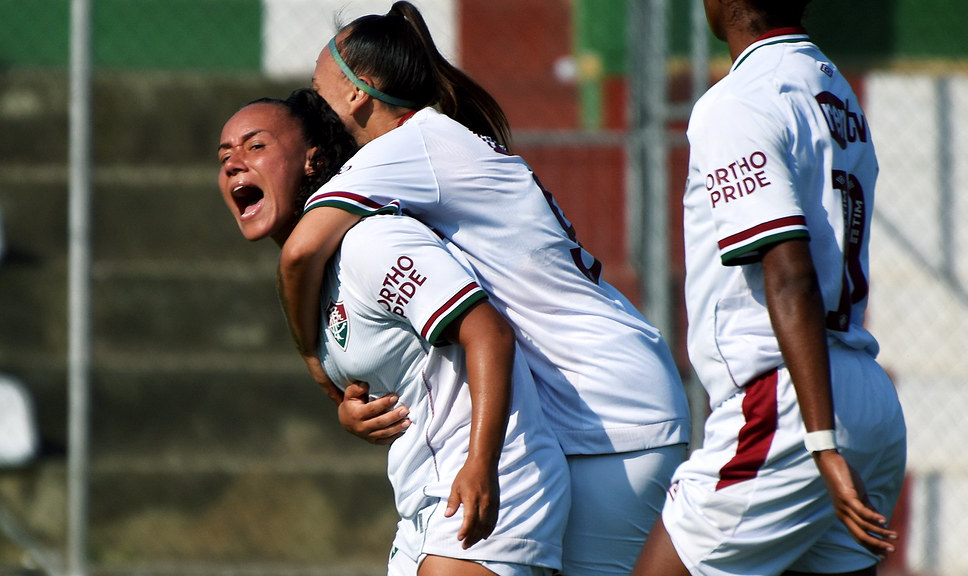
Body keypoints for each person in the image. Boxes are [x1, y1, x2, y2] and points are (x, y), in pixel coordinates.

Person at [278, 2, 692, 574]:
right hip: (612, 397)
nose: (311, 99)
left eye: (320, 85)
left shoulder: (406, 148)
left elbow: (300, 252)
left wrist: (313, 363)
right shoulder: (430, 145)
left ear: (358, 93)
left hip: (606, 408)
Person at [218, 89, 571, 576]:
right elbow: (385, 372)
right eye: (225, 156)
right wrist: (351, 411)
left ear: (312, 161)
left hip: (489, 482)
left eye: (255, 146)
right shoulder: (313, 280)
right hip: (422, 503)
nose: (235, 163)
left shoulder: (370, 242)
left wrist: (481, 466)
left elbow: (490, 334)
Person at [631, 1, 907, 575]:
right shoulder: (833, 90)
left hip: (790, 403)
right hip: (863, 390)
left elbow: (789, 273)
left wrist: (820, 440)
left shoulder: (738, 101)